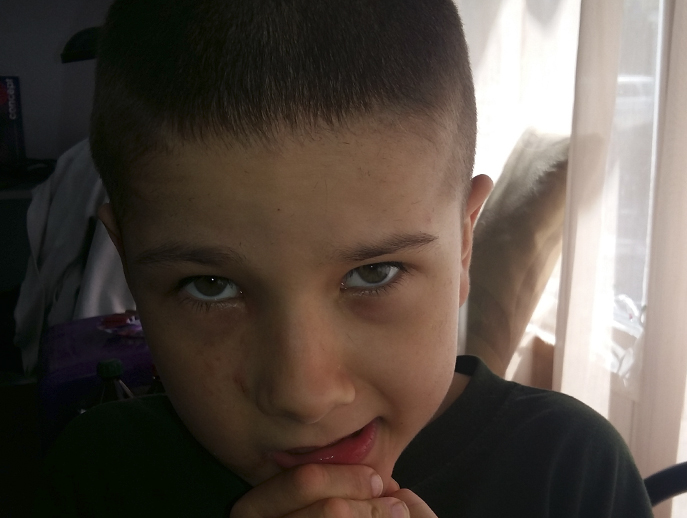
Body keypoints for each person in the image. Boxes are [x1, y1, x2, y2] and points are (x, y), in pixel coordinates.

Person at [32, 0, 653, 516]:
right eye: (211, 285)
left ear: (465, 243)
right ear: (128, 264)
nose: (303, 395)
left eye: (373, 273)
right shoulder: (97, 476)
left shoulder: (573, 473)